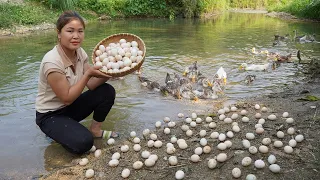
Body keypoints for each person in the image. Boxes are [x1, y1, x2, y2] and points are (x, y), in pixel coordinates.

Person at [35, 10, 118, 154]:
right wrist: (87, 74)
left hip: (71, 108)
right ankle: (56, 133)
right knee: (83, 143)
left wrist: (111, 73)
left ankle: (95, 130)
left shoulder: (79, 52)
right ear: (59, 33)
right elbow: (66, 99)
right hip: (51, 115)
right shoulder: (52, 62)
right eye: (70, 31)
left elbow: (91, 85)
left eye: (80, 31)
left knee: (107, 91)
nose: (76, 36)